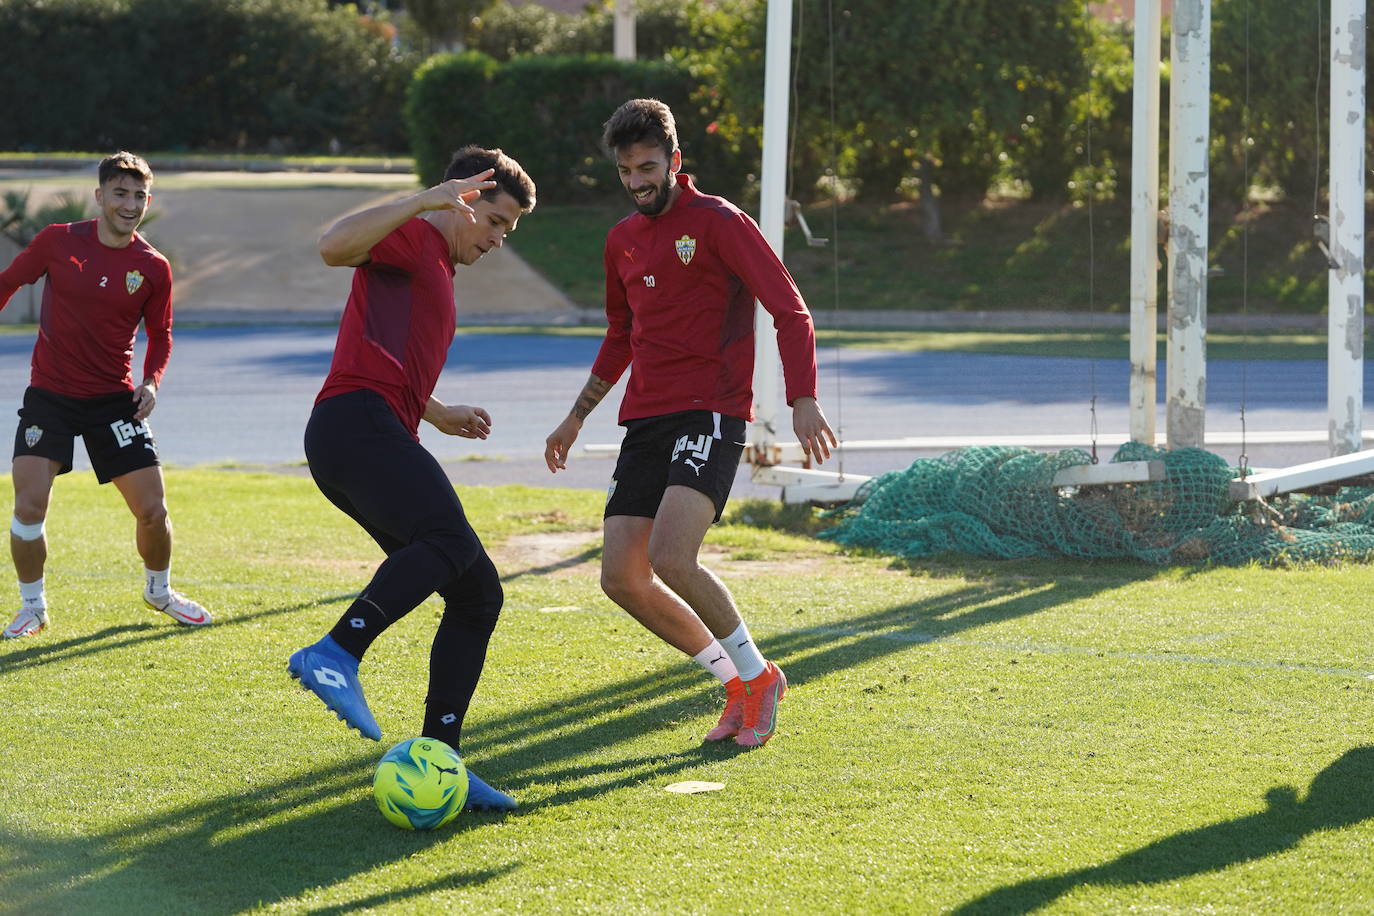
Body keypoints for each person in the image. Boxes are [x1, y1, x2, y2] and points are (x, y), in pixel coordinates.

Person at [544, 99, 837, 748]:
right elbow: (620, 334)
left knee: (672, 557)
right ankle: (737, 683)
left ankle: (758, 678)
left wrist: (802, 397)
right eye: (626, 171)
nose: (637, 181)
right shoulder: (620, 239)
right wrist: (574, 416)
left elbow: (790, 311)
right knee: (621, 577)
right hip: (645, 418)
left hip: (710, 411)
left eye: (648, 167)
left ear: (675, 161)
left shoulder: (719, 221)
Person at [287, 146, 535, 812]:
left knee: (478, 593)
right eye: (495, 221)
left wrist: (437, 411)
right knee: (450, 543)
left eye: (509, 231)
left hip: (369, 429)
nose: (497, 239)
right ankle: (336, 652)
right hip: (355, 424)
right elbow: (333, 245)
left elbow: (389, 351)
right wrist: (425, 199)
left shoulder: (437, 268)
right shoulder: (415, 235)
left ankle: (442, 757)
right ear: (462, 200)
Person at [0, 151, 211, 639]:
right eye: (120, 193)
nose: (130, 204)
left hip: (115, 401)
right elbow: (8, 282)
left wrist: (153, 380)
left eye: (139, 195)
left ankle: (159, 591)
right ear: (100, 196)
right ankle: (33, 607)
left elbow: (162, 334)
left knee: (153, 511)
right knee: (28, 507)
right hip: (49, 397)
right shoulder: (57, 242)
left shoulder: (152, 267)